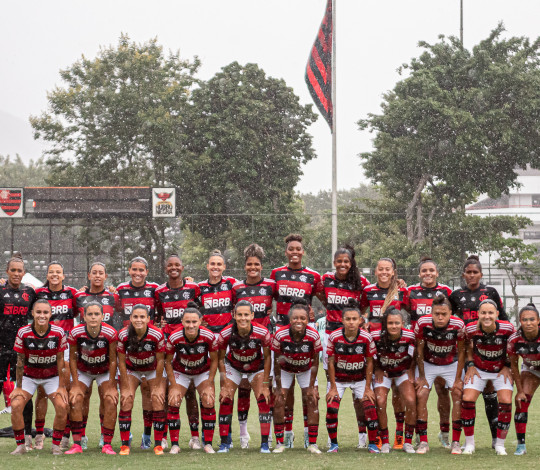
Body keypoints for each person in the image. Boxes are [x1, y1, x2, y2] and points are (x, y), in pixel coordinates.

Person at [449, 255, 509, 448]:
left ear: (481, 274)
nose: (472, 275)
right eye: (469, 272)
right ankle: (461, 440)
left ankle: (494, 438)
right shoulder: (457, 295)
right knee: (466, 394)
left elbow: (504, 320)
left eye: (475, 272)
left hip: (489, 348)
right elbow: (449, 318)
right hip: (468, 350)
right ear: (463, 274)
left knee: (490, 395)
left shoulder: (490, 292)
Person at [270, 234, 323, 448]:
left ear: (303, 252)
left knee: (310, 395)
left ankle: (309, 437)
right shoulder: (277, 273)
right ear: (286, 252)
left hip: (304, 331)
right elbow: (267, 297)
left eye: (298, 249)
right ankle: (287, 435)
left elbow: (326, 297)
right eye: (291, 249)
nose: (294, 252)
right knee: (284, 394)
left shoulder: (312, 276)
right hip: (283, 332)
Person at [321, 245, 370, 448]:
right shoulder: (326, 279)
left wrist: (361, 319)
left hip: (354, 335)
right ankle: (333, 441)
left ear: (351, 263)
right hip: (331, 336)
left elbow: (368, 301)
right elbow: (320, 296)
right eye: (339, 261)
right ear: (334, 262)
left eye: (346, 261)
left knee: (358, 393)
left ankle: (362, 436)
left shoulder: (360, 282)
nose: (342, 264)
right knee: (334, 387)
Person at [360, 258, 409, 449]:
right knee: (380, 396)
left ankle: (399, 435)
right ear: (375, 271)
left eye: (387, 269)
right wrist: (364, 321)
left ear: (393, 271)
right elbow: (361, 309)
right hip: (376, 347)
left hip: (396, 346)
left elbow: (408, 312)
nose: (384, 272)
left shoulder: (401, 290)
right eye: (381, 269)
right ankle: (382, 436)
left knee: (398, 395)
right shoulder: (368, 291)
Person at [231, 243, 276, 449]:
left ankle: (270, 436)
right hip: (242, 344)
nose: (252, 268)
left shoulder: (270, 285)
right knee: (242, 390)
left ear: (261, 266)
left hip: (263, 344)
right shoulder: (236, 288)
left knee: (266, 391)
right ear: (244, 266)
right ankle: (243, 434)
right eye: (249, 264)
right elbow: (228, 311)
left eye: (256, 264)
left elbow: (285, 302)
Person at [155, 254, 202, 450]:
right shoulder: (159, 292)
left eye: (177, 265)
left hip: (190, 344)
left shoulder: (193, 288)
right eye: (170, 265)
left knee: (191, 392)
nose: (173, 268)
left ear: (182, 268)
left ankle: (194, 437)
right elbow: (157, 317)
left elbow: (201, 313)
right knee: (168, 392)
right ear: (165, 269)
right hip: (169, 345)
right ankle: (165, 436)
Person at [10, 299, 68, 455]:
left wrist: (62, 386)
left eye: (45, 312)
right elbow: (20, 362)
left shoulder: (58, 332)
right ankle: (21, 445)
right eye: (38, 312)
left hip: (52, 376)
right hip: (29, 377)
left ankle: (56, 445)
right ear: (32, 314)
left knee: (62, 406)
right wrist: (19, 387)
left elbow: (61, 360)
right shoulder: (23, 332)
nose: (42, 315)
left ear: (50, 314)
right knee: (16, 406)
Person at [408, 257, 454, 448]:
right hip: (418, 348)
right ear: (419, 274)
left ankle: (444, 433)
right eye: (424, 271)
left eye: (431, 270)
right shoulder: (410, 292)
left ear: (437, 272)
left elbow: (452, 315)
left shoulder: (447, 292)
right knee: (420, 393)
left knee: (443, 392)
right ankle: (421, 435)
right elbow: (398, 309)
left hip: (442, 348)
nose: (428, 274)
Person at [216, 300, 272, 453]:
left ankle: (265, 444)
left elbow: (268, 358)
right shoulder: (225, 333)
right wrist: (224, 383)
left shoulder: (262, 332)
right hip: (233, 367)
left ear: (252, 315)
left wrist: (266, 384)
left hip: (256, 368)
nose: (242, 318)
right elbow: (220, 358)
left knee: (263, 398)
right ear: (234, 315)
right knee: (226, 398)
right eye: (239, 314)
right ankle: (224, 443)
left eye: (246, 315)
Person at [116, 257, 160, 450]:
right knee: (126, 397)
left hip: (149, 344)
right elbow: (113, 309)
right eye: (134, 269)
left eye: (141, 269)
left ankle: (147, 436)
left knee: (151, 396)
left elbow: (162, 308)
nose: (138, 273)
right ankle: (126, 439)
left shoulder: (154, 290)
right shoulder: (120, 290)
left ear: (147, 271)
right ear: (129, 270)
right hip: (130, 344)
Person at [325, 300, 379, 453]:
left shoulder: (366, 338)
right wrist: (333, 387)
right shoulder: (334, 337)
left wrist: (368, 388)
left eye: (354, 319)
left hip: (360, 379)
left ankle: (373, 443)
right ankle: (334, 444)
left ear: (360, 320)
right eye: (347, 319)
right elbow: (331, 362)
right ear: (342, 320)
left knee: (370, 408)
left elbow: (370, 363)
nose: (351, 322)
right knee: (331, 408)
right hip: (339, 380)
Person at [461, 299, 514, 455]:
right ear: (478, 314)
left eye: (490, 313)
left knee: (505, 401)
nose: (487, 316)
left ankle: (500, 444)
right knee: (468, 399)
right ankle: (469, 443)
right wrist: (470, 364)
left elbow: (513, 350)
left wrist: (507, 366)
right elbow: (466, 346)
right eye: (483, 313)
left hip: (499, 371)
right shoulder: (470, 329)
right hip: (479, 369)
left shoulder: (507, 328)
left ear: (497, 314)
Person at [34, 261, 78, 450]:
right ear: (47, 274)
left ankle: (65, 436)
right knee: (42, 392)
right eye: (51, 272)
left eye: (58, 272)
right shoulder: (38, 293)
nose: (54, 275)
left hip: (65, 347)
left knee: (65, 392)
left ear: (63, 275)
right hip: (43, 346)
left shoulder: (72, 293)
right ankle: (39, 434)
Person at [414, 296, 466, 454]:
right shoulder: (423, 323)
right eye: (437, 314)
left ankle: (455, 441)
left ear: (450, 313)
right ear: (431, 313)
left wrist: (457, 379)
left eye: (444, 313)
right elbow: (419, 351)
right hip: (429, 363)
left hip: (451, 363)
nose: (440, 317)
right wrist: (422, 376)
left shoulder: (458, 324)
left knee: (457, 394)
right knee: (421, 393)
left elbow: (462, 351)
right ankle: (423, 441)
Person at [65, 301, 118, 455]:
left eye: (96, 314)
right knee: (75, 398)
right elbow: (73, 358)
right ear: (84, 316)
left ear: (102, 316)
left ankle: (107, 444)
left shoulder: (110, 333)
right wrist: (75, 383)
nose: (93, 317)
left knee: (110, 399)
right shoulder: (76, 332)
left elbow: (114, 359)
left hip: (104, 371)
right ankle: (77, 443)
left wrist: (112, 384)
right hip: (84, 370)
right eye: (90, 314)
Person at [165, 302, 218, 454]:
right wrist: (174, 384)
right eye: (187, 322)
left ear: (200, 321)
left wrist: (209, 381)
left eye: (194, 321)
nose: (191, 325)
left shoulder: (208, 335)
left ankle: (207, 443)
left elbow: (214, 359)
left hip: (202, 371)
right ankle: (175, 444)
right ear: (182, 322)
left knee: (208, 399)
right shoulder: (175, 336)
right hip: (181, 372)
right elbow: (167, 361)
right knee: (174, 400)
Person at [272, 299, 323, 454]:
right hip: (285, 370)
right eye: (295, 318)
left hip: (306, 369)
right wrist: (279, 387)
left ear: (308, 320)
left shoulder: (313, 335)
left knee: (312, 400)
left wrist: (312, 386)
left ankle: (312, 442)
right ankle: (281, 441)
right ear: (290, 319)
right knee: (279, 400)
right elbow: (276, 361)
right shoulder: (280, 334)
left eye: (302, 318)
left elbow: (315, 361)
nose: (299, 321)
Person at [117, 304, 166, 455]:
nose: (139, 320)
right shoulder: (123, 334)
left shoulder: (157, 334)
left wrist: (157, 385)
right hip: (132, 369)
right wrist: (125, 385)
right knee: (126, 399)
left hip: (152, 370)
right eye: (136, 317)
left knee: (157, 398)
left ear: (148, 319)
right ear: (130, 318)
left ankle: (157, 445)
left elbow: (160, 361)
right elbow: (121, 361)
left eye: (142, 317)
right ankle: (125, 445)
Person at [0, 253, 37, 450]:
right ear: (7, 271)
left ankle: (28, 437)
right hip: (0, 348)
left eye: (19, 270)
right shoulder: (0, 290)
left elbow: (43, 307)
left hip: (20, 350)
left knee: (24, 391)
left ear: (24, 273)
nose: (16, 273)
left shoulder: (30, 293)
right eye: (12, 270)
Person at [372, 307, 416, 454]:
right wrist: (377, 368)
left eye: (397, 323)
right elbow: (370, 356)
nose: (394, 326)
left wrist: (411, 369)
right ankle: (384, 441)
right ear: (385, 324)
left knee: (410, 400)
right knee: (380, 402)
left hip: (402, 372)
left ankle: (407, 441)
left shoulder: (410, 336)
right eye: (390, 323)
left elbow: (416, 354)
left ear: (402, 323)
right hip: (383, 372)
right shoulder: (376, 337)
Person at [508, 303, 540, 455]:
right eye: (524, 319)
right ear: (519, 321)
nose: (528, 323)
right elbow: (514, 366)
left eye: (532, 319)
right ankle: (521, 445)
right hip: (531, 370)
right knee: (521, 401)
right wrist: (519, 391)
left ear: (538, 321)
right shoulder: (514, 340)